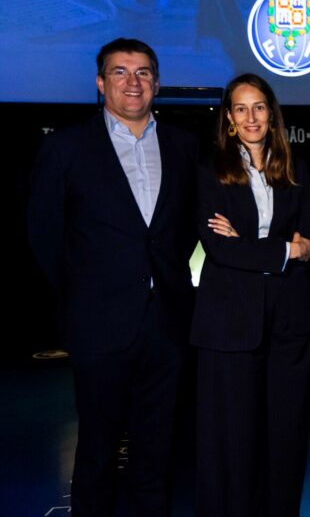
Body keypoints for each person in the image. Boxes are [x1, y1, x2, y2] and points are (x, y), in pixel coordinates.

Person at [27, 38, 198, 516]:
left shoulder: (184, 146)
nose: (133, 82)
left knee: (157, 451)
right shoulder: (66, 147)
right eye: (120, 72)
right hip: (98, 325)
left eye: (143, 72)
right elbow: (44, 233)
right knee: (98, 449)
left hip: (167, 322)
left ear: (158, 83)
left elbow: (183, 228)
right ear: (101, 83)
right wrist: (83, 295)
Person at [191, 74, 310, 517]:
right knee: (234, 439)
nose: (251, 117)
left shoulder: (296, 168)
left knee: (286, 435)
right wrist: (285, 248)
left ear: (272, 113)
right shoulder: (210, 171)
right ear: (229, 118)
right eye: (241, 109)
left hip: (289, 323)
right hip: (229, 325)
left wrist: (253, 245)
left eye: (259, 107)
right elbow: (221, 248)